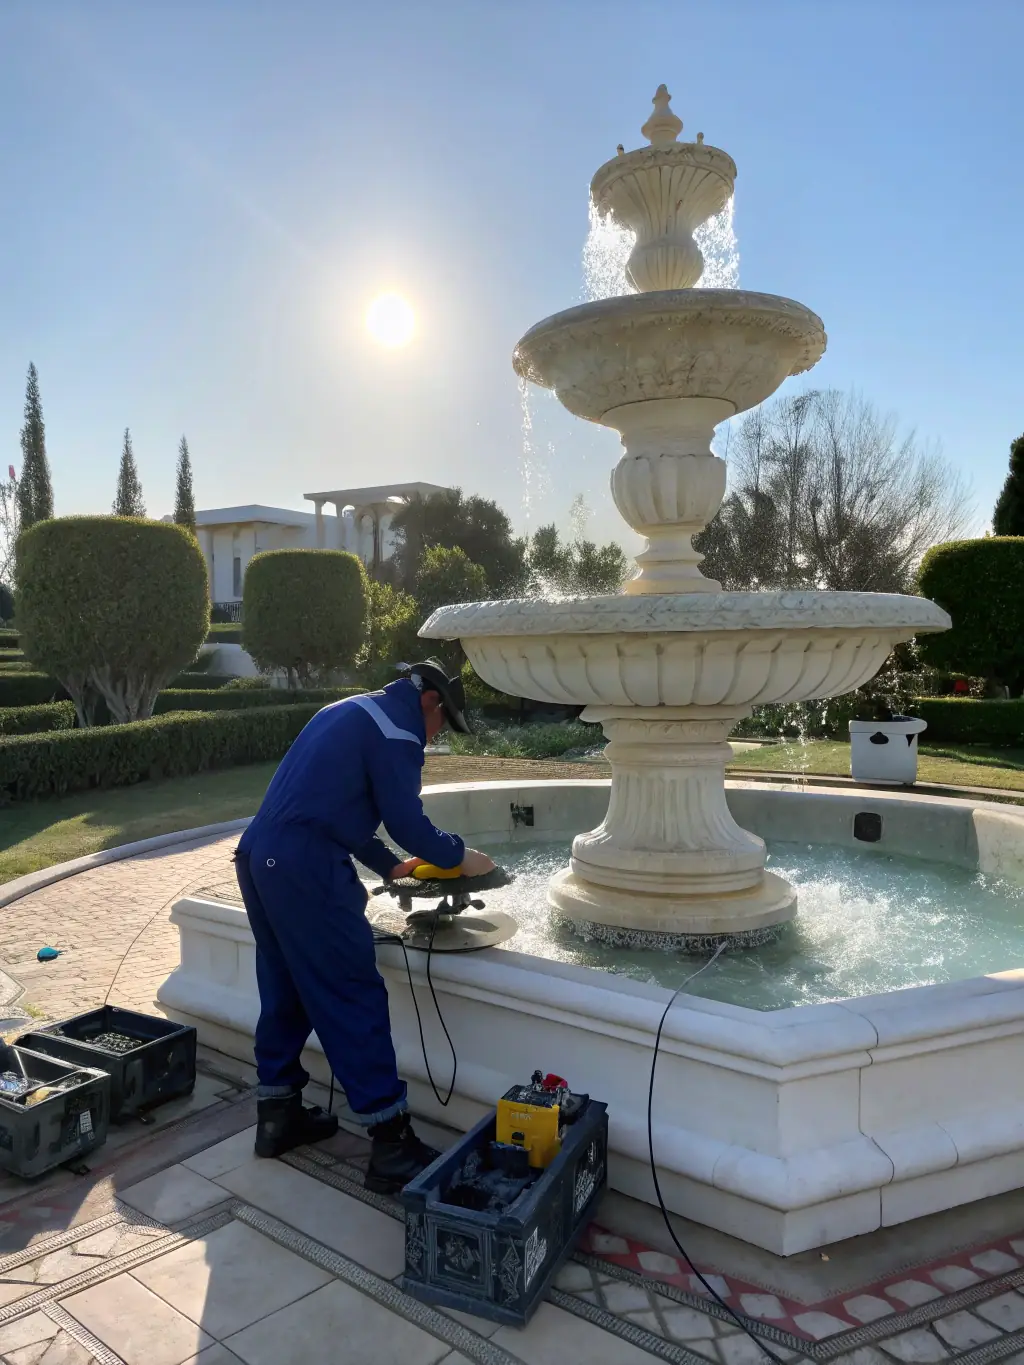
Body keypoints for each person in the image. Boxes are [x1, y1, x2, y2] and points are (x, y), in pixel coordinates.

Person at [234, 660, 495, 1191]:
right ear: (432, 701)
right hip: (307, 866)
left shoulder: (350, 711)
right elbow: (406, 821)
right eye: (445, 723)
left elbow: (334, 810)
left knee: (286, 988)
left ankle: (277, 1117)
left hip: (261, 855)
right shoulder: (399, 729)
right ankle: (392, 1144)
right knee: (350, 990)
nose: (439, 734)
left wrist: (388, 868)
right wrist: (462, 856)